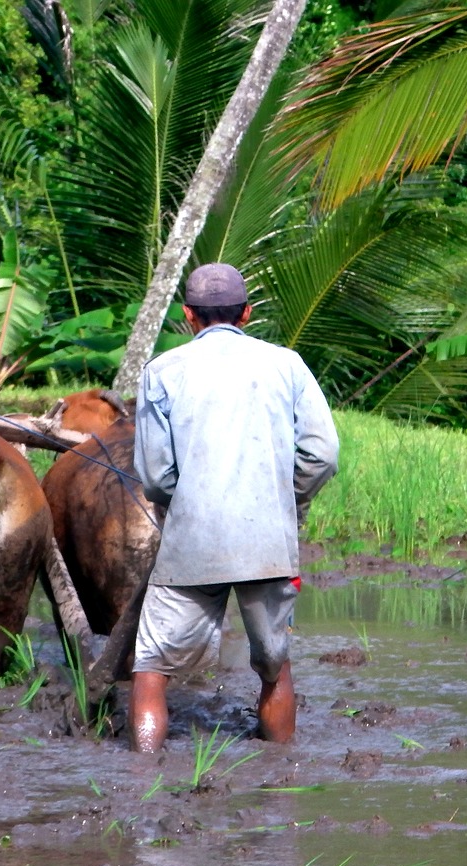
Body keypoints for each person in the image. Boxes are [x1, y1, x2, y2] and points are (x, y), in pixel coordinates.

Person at [129, 262, 339, 753]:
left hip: (191, 543)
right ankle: (282, 771)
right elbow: (323, 454)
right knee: (275, 665)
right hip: (268, 542)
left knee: (152, 666)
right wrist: (292, 499)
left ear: (187, 315)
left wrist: (180, 502)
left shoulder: (161, 371)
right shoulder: (287, 365)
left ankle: (137, 777)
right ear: (246, 313)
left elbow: (156, 475)